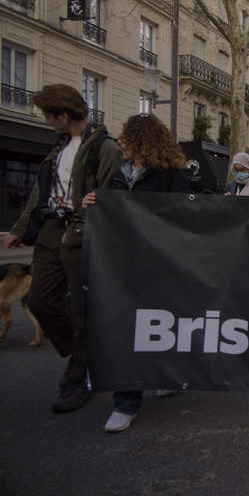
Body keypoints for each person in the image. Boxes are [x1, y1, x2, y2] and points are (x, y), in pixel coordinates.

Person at [2, 84, 122, 412]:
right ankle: (83, 354)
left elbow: (113, 196)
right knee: (40, 301)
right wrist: (19, 229)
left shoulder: (104, 148)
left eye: (49, 116)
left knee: (82, 307)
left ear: (64, 115)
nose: (46, 121)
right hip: (51, 230)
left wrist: (93, 212)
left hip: (82, 231)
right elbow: (39, 194)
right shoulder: (57, 147)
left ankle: (78, 374)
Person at [82, 113, 191, 432]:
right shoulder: (121, 174)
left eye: (127, 138)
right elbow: (112, 210)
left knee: (156, 325)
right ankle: (125, 403)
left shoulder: (171, 177)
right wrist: (94, 203)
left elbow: (186, 217)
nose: (120, 142)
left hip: (158, 266)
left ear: (143, 142)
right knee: (128, 328)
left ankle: (165, 373)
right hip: (123, 266)